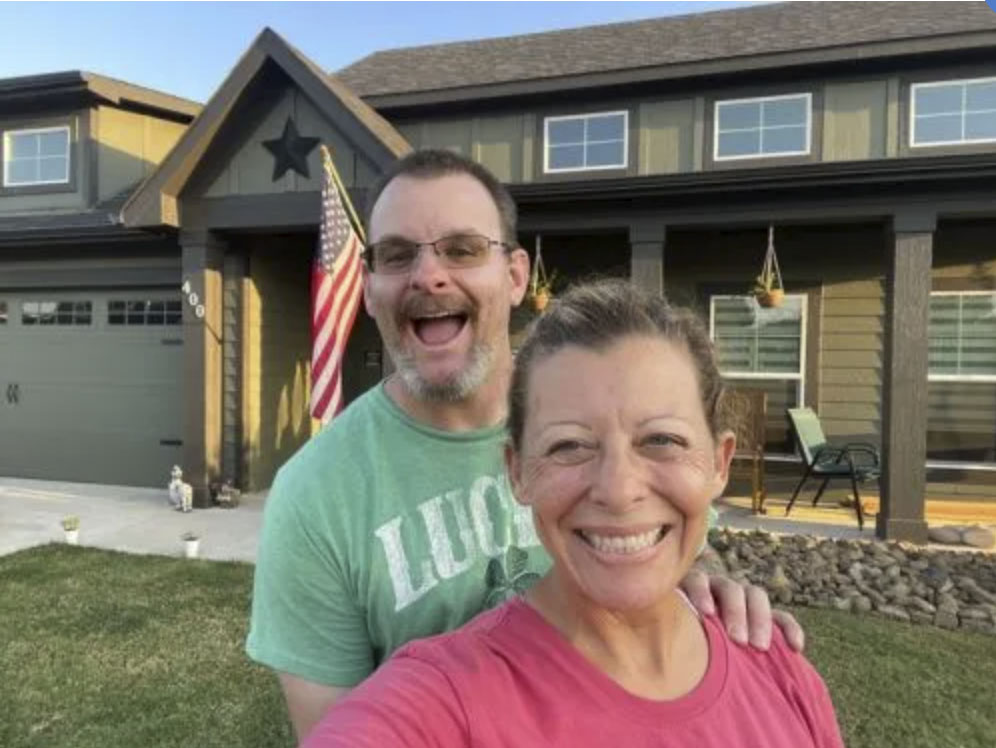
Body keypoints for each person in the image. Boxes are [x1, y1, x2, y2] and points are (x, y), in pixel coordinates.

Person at [246, 150, 804, 741]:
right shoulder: (312, 494)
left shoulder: (605, 415)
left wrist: (710, 588)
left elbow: (678, 537)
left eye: (461, 249)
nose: (428, 275)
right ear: (368, 289)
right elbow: (335, 727)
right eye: (397, 254)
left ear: (515, 276)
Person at [302, 279, 844, 747]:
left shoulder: (780, 670)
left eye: (661, 439)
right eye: (568, 446)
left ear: (720, 463)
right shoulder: (445, 697)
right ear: (517, 472)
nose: (618, 489)